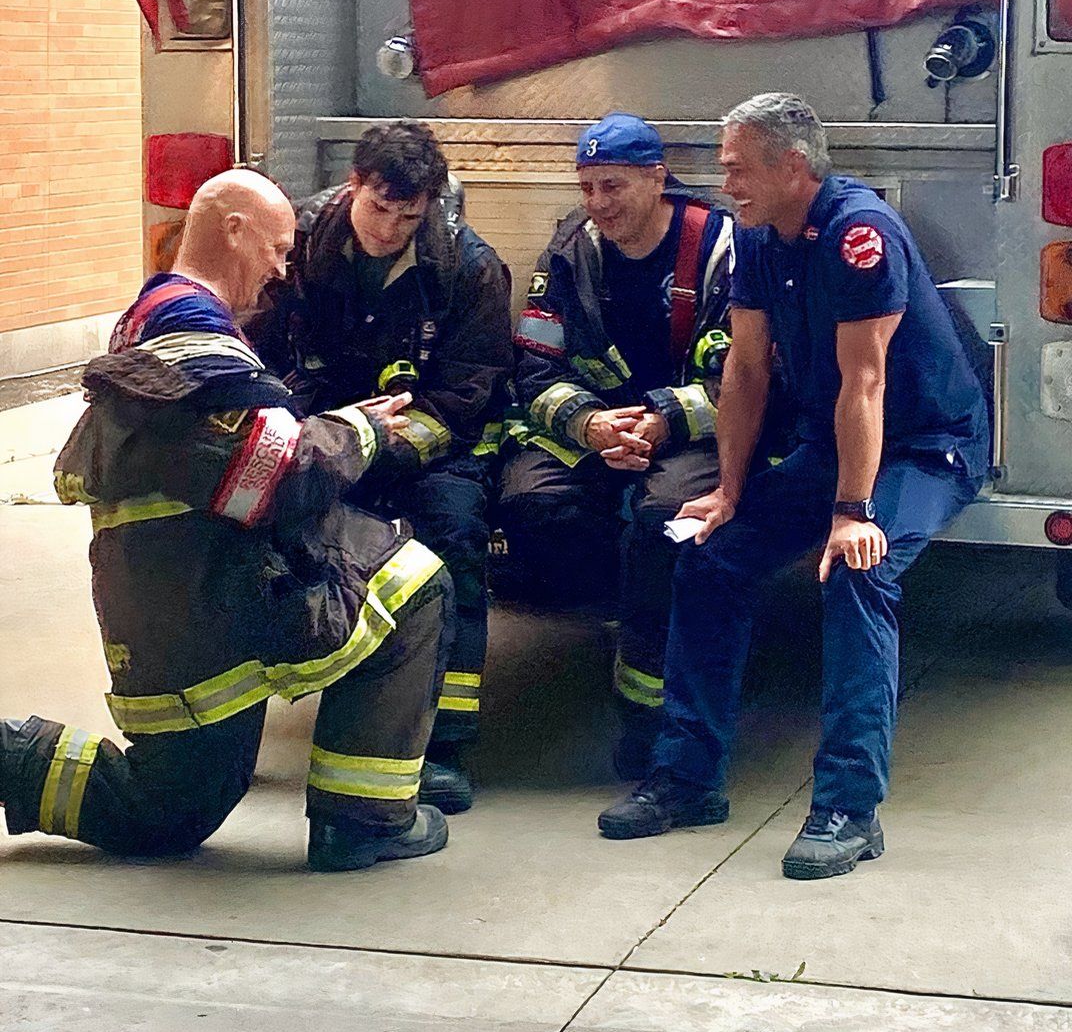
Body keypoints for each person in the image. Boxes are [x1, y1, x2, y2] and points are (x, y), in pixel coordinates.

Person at [0, 169, 454, 874]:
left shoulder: (154, 319)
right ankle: (363, 823)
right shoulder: (195, 332)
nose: (280, 271)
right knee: (416, 581)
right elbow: (272, 477)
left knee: (168, 811)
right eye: (275, 249)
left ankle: (7, 758)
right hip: (209, 590)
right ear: (232, 229)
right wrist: (356, 431)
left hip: (166, 593)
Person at [598, 94, 990, 878]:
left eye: (739, 167)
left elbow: (866, 382)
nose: (725, 180)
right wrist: (731, 493)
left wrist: (851, 513)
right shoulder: (754, 236)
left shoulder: (858, 234)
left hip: (922, 446)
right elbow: (743, 371)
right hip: (833, 441)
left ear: (793, 166)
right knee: (710, 558)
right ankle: (688, 778)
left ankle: (848, 808)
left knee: (858, 570)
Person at [247, 124, 513, 814]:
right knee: (252, 535)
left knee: (454, 537)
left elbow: (466, 395)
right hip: (322, 437)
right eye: (379, 208)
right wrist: (313, 438)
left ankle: (445, 745)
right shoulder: (299, 244)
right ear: (353, 185)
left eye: (410, 217)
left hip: (425, 449)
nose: (391, 229)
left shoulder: (469, 268)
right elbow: (260, 347)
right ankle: (237, 725)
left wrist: (384, 447)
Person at [498, 113, 738, 779]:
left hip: (696, 433)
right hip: (600, 430)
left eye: (614, 186)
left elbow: (751, 377)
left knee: (665, 521)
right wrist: (590, 427)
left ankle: (649, 720)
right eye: (588, 188)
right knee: (527, 499)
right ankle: (616, 608)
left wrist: (662, 421)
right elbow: (536, 368)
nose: (599, 204)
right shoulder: (569, 252)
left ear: (657, 178)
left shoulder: (723, 250)